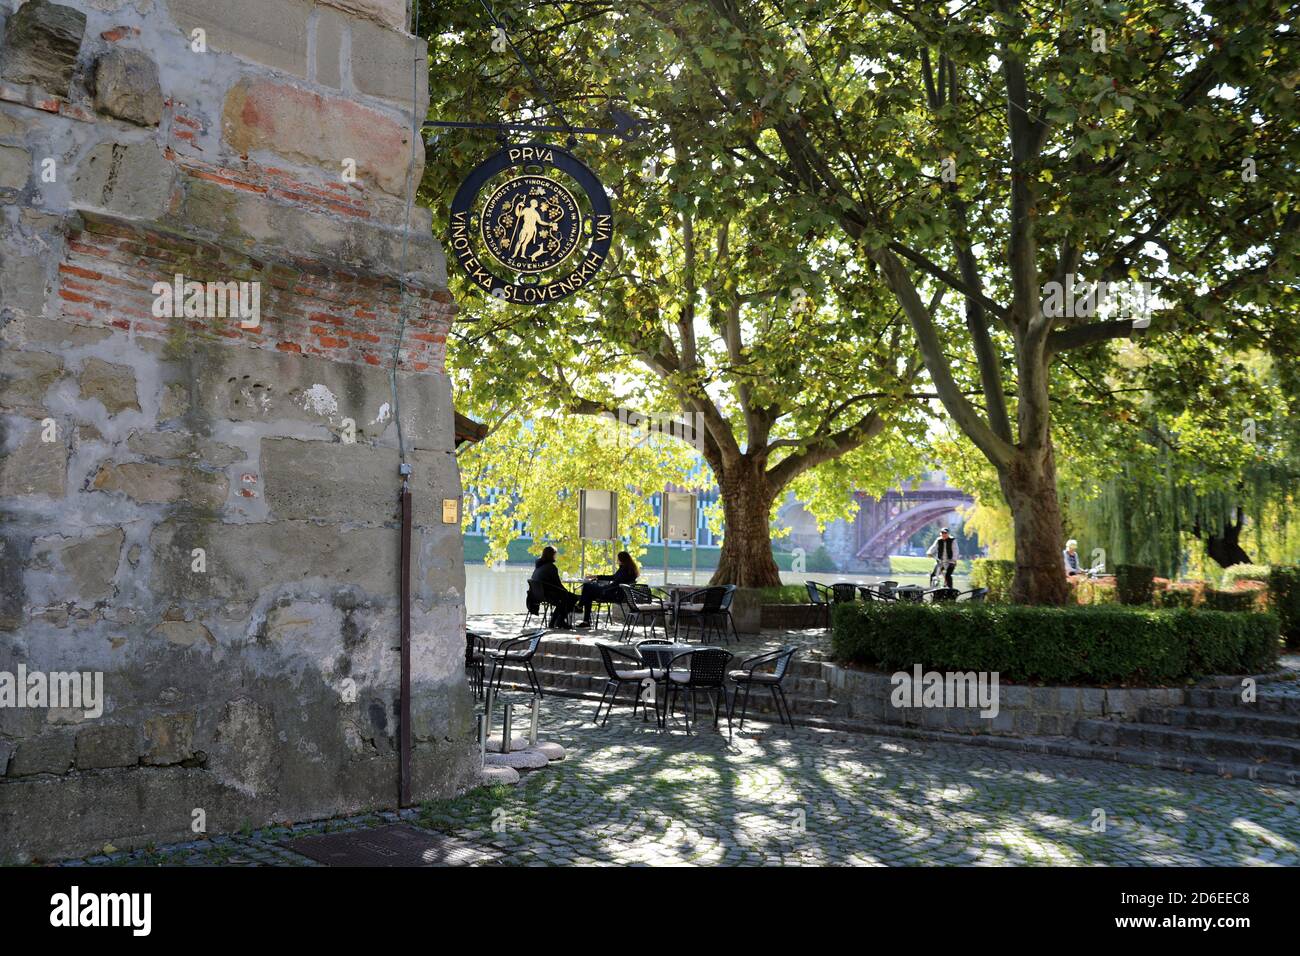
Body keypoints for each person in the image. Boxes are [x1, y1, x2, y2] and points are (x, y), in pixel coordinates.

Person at [575, 551, 640, 628]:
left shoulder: (625, 571)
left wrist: (602, 587)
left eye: (618, 559)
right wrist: (596, 576)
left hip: (615, 594)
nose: (616, 560)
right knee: (588, 595)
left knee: (587, 586)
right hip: (614, 592)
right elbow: (613, 577)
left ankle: (580, 607)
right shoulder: (627, 569)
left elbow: (616, 584)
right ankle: (585, 621)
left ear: (622, 560)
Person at [529, 546, 578, 629]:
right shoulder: (551, 567)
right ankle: (559, 621)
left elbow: (555, 585)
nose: (556, 556)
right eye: (555, 554)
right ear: (551, 555)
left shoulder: (539, 566)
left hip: (538, 595)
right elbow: (558, 584)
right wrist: (567, 592)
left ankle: (554, 622)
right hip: (547, 595)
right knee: (572, 598)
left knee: (566, 598)